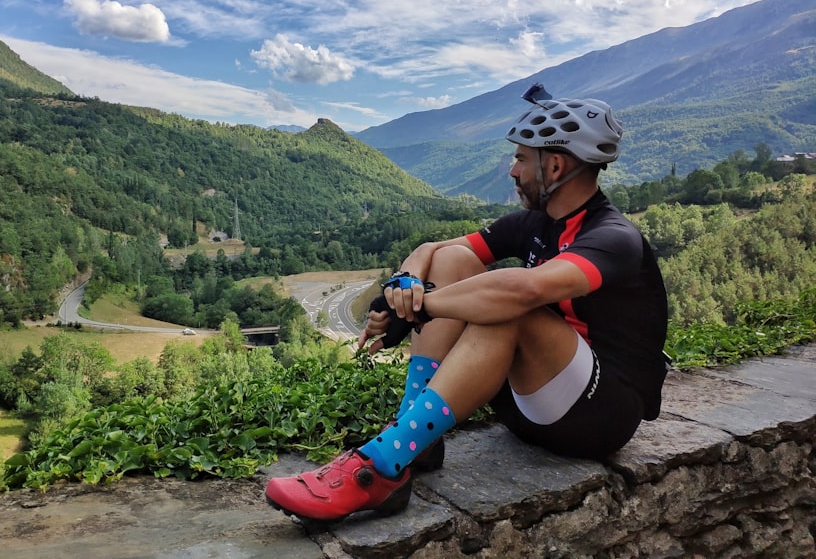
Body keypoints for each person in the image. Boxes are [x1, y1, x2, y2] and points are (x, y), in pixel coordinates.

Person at [265, 86, 669, 522]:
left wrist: (425, 307)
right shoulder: (536, 223)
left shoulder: (613, 239)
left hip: (597, 414)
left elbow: (525, 292)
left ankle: (380, 468)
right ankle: (416, 437)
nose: (512, 170)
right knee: (455, 259)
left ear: (555, 164)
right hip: (529, 404)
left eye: (520, 158)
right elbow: (438, 249)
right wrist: (402, 289)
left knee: (512, 311)